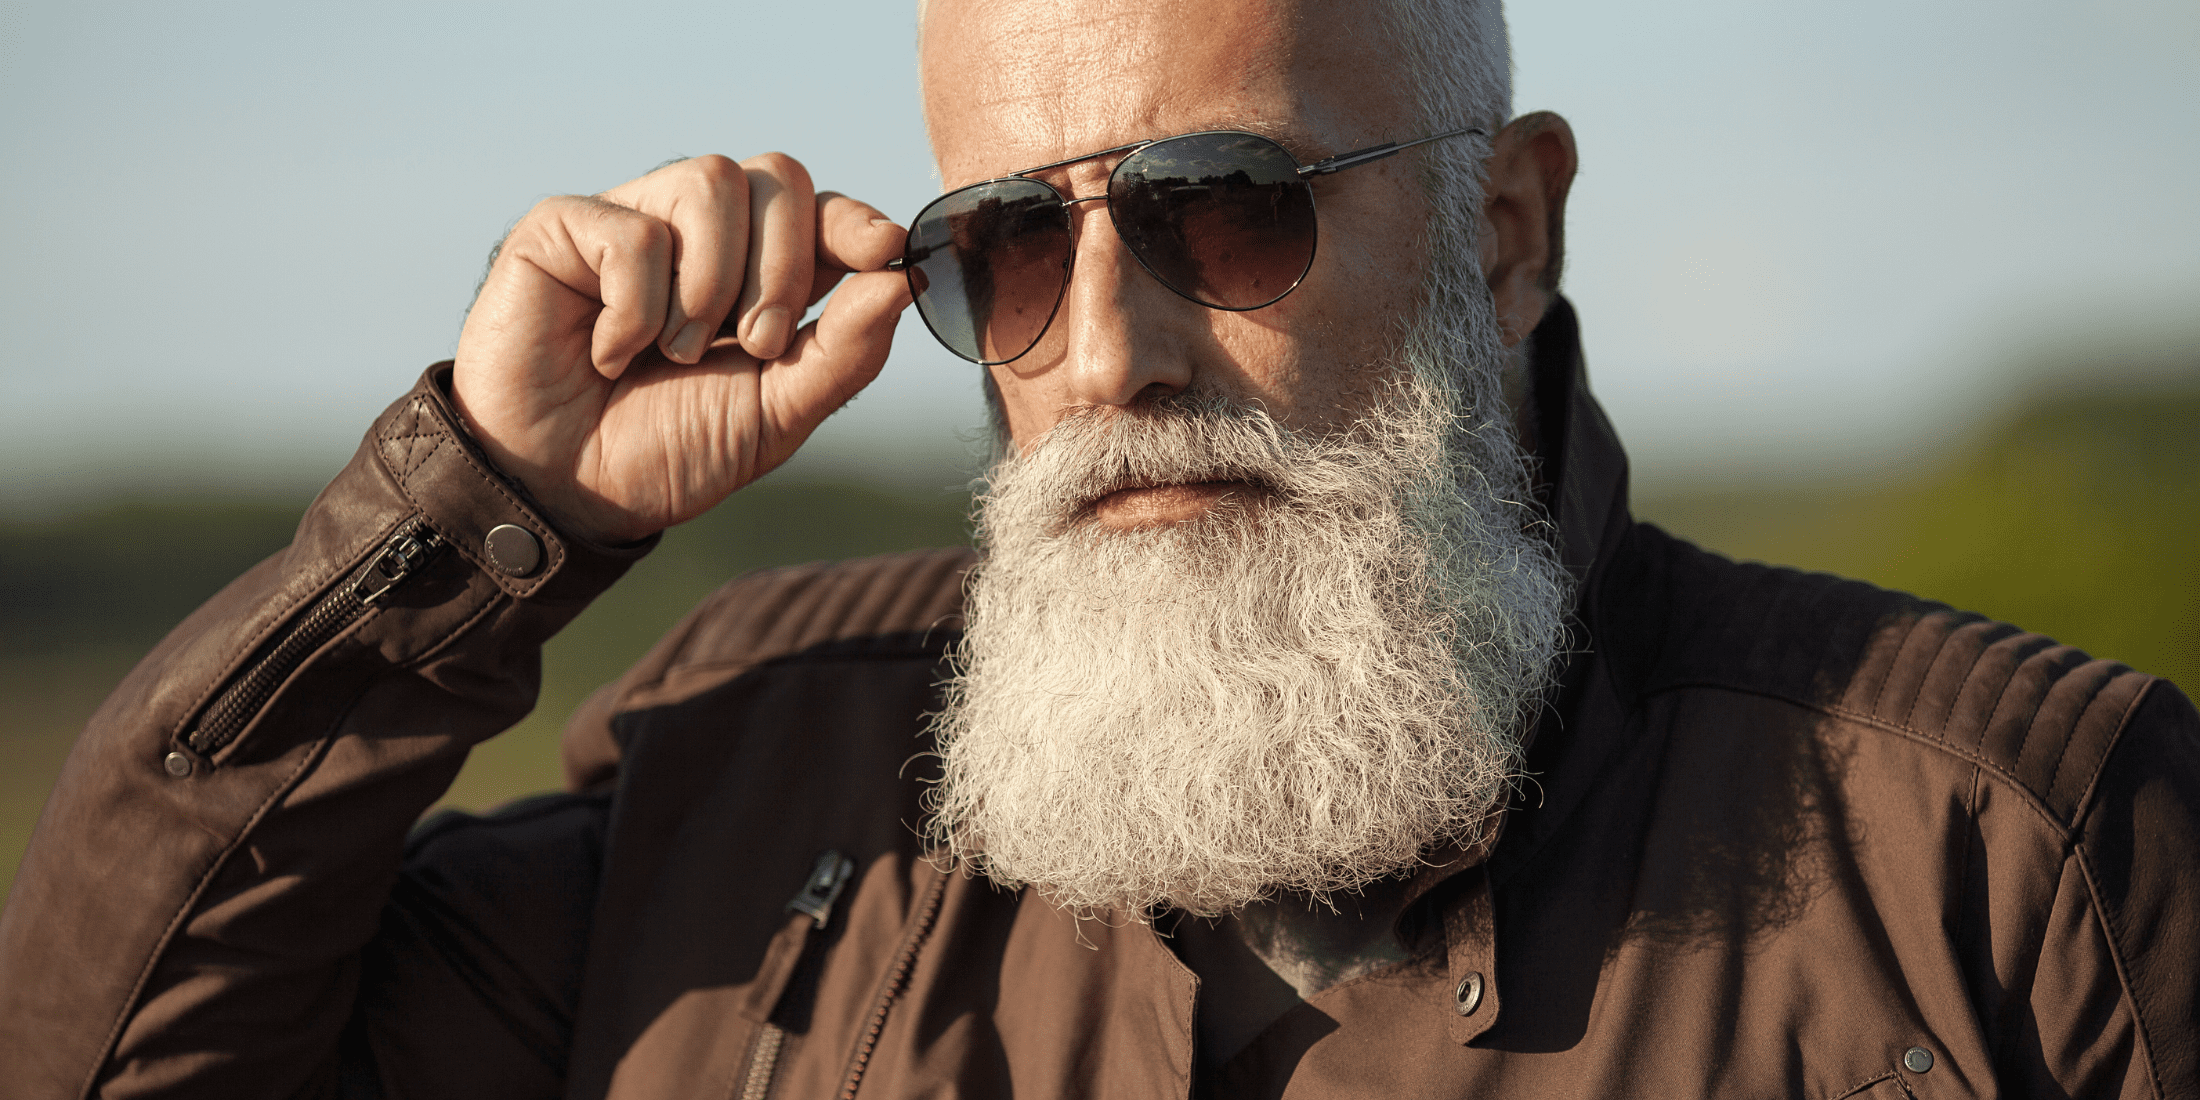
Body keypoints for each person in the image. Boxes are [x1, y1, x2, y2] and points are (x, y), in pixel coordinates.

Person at [1, 0, 2193, 1096]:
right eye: (1007, 251)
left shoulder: (2016, 860)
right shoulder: (747, 775)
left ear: (1503, 228)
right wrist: (496, 493)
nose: (1115, 352)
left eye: (1224, 211)